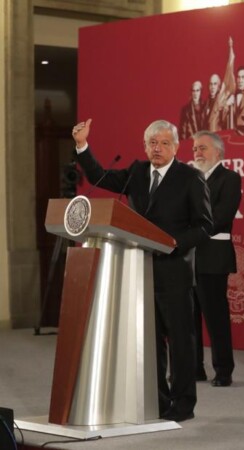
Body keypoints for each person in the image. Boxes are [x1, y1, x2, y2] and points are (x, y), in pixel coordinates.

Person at [71, 118, 213, 422]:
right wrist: (82, 145)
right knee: (150, 343)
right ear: (144, 146)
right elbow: (99, 176)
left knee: (180, 342)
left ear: (176, 146)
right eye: (152, 143)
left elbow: (204, 225)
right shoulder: (136, 172)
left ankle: (183, 404)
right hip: (139, 270)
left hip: (174, 271)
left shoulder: (190, 178)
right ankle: (159, 402)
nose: (157, 148)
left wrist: (174, 242)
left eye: (164, 143)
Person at [191, 131, 241, 387]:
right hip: (188, 258)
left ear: (218, 152)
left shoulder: (229, 178)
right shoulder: (189, 179)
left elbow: (220, 217)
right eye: (195, 149)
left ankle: (223, 370)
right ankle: (194, 368)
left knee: (216, 317)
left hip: (213, 256)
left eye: (202, 148)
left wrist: (188, 231)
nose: (196, 153)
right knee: (189, 317)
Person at [206, 37, 237, 132]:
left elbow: (223, 120)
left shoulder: (221, 98)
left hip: (218, 137)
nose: (212, 87)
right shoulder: (206, 103)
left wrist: (226, 105)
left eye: (215, 84)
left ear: (219, 86)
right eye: (210, 84)